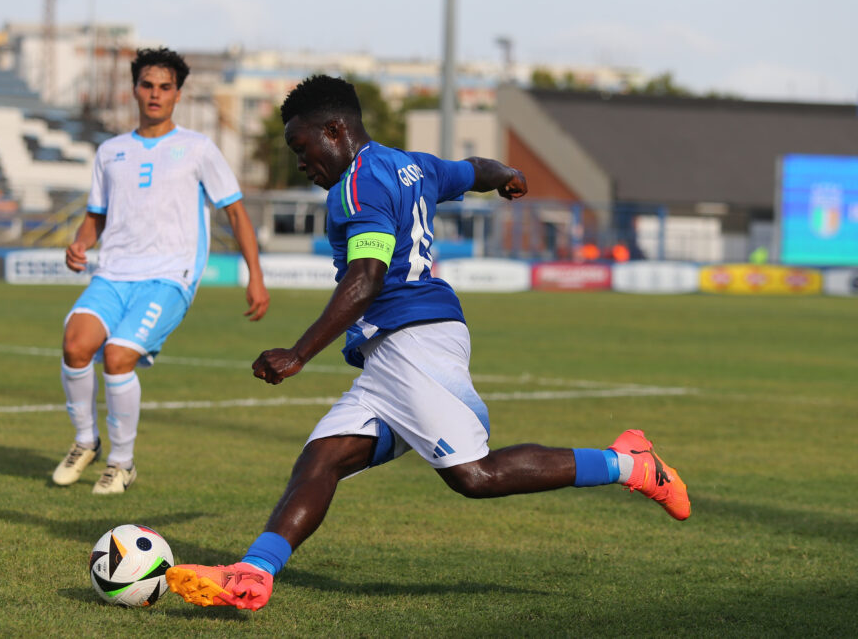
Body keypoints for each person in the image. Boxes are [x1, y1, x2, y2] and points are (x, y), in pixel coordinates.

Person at [165, 75, 691, 611]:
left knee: (475, 475)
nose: (302, 162)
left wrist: (298, 354)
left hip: (412, 340)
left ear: (335, 129)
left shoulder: (359, 184)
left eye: (302, 148)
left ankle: (630, 463)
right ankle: (254, 572)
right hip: (395, 349)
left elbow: (366, 277)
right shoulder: (409, 164)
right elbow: (474, 171)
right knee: (321, 462)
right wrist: (507, 174)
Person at [52, 47, 270, 494]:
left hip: (169, 277)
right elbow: (95, 216)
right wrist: (80, 243)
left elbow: (236, 213)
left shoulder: (197, 149)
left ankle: (122, 462)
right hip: (113, 273)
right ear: (134, 89)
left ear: (178, 94)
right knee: (75, 345)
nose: (155, 94)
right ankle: (84, 441)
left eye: (165, 87)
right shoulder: (111, 152)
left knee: (117, 358)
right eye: (147, 85)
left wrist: (256, 276)